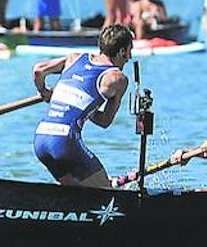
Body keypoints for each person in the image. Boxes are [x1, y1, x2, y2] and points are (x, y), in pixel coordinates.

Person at [31, 23, 133, 187]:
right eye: (129, 50)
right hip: (65, 142)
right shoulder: (117, 78)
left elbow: (38, 71)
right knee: (105, 192)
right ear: (122, 51)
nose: (129, 57)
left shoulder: (74, 58)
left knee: (75, 195)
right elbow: (104, 121)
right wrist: (86, 107)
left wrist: (44, 92)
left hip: (41, 138)